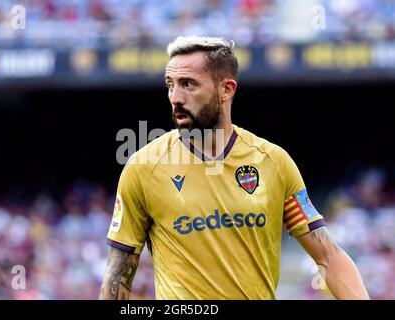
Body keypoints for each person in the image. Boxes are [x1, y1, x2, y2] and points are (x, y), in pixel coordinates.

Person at [99, 36, 369, 300]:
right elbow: (118, 273)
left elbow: (329, 256)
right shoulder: (143, 168)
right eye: (170, 85)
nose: (175, 97)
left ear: (226, 89)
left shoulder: (274, 162)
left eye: (188, 85)